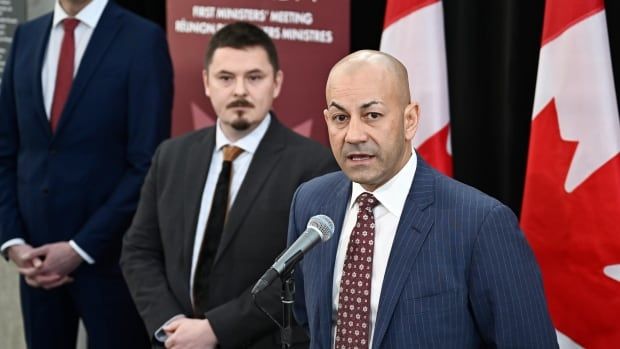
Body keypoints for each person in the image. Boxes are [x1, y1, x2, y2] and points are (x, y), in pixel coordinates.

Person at [287, 50, 559, 348]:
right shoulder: (311, 202)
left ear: (410, 120)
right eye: (340, 118)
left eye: (372, 115)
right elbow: (306, 318)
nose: (353, 135)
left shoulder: (480, 223)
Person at [120, 21, 337, 349]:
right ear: (206, 82)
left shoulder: (315, 166)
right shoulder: (171, 156)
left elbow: (306, 275)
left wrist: (215, 330)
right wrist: (170, 324)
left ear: (276, 83)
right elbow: (138, 251)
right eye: (225, 78)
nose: (239, 91)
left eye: (254, 77)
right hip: (174, 342)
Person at [0, 0, 173, 348]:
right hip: (36, 266)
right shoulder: (26, 37)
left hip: (111, 265)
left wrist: (80, 248)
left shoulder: (143, 39)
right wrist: (13, 241)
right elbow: (6, 150)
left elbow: (147, 163)